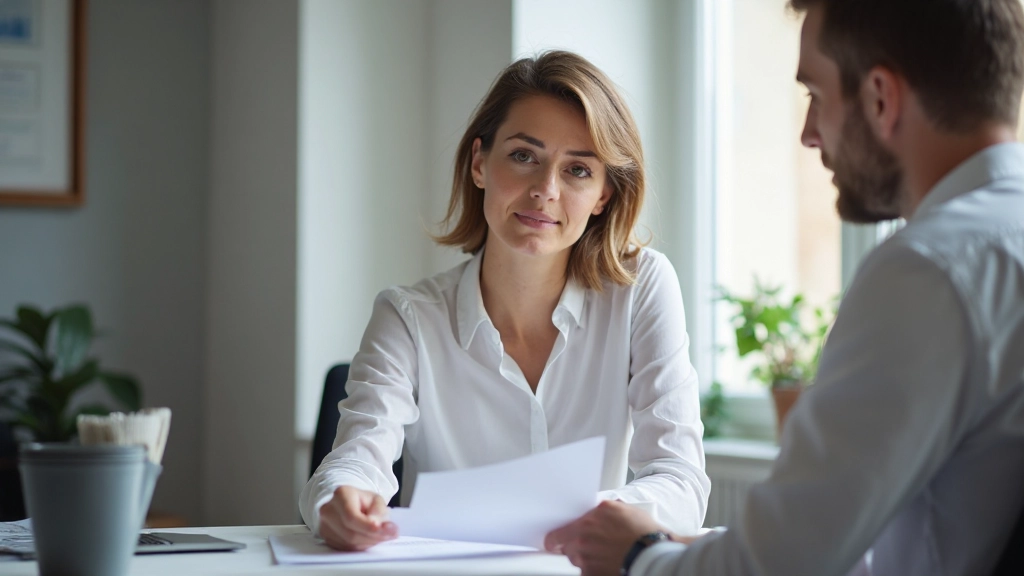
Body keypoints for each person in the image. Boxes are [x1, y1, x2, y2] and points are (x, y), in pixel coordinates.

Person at [544, 1, 1024, 575]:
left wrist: (640, 556)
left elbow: (777, 567)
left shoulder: (930, 270)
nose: (808, 134)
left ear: (880, 99)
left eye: (815, 96)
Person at [299, 50, 711, 552]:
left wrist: (598, 518)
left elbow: (680, 479)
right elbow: (356, 459)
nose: (545, 190)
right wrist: (340, 501)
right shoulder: (407, 317)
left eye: (578, 170)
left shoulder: (641, 287)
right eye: (523, 156)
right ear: (479, 163)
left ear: (603, 195)